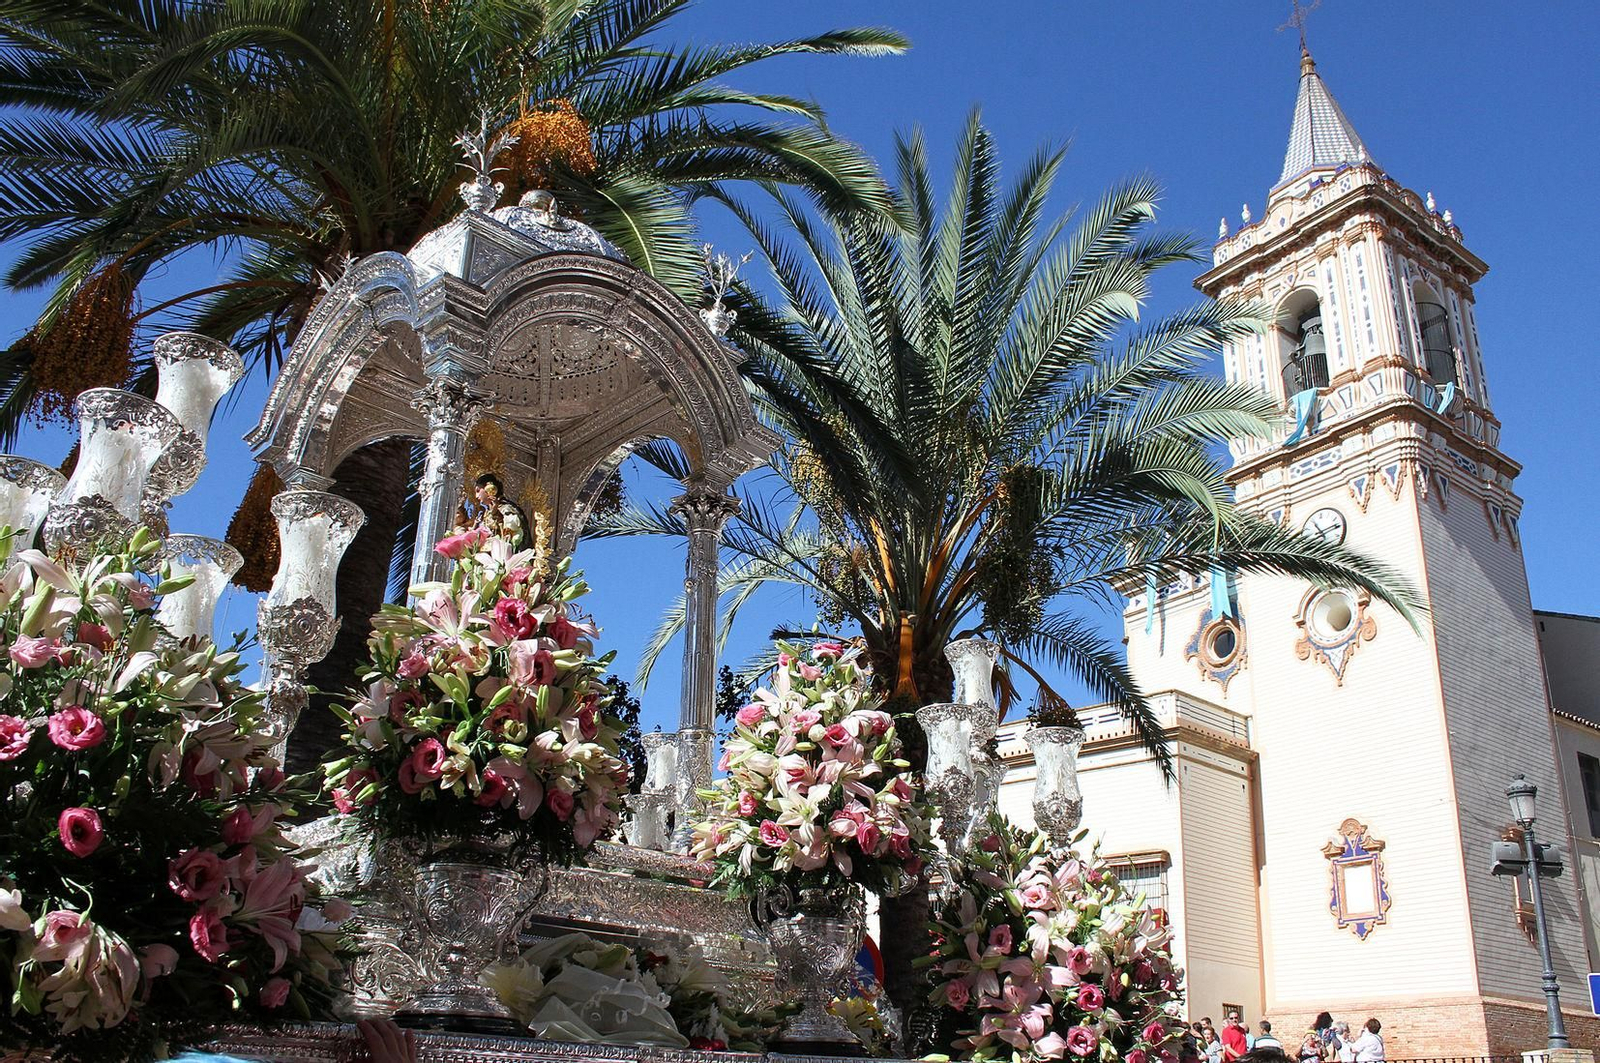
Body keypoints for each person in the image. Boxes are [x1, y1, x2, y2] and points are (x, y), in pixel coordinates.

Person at [456, 472, 528, 547]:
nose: (476, 496)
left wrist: (496, 514)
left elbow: (509, 536)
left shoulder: (506, 509)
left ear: (489, 488)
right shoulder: (487, 512)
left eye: (478, 491)